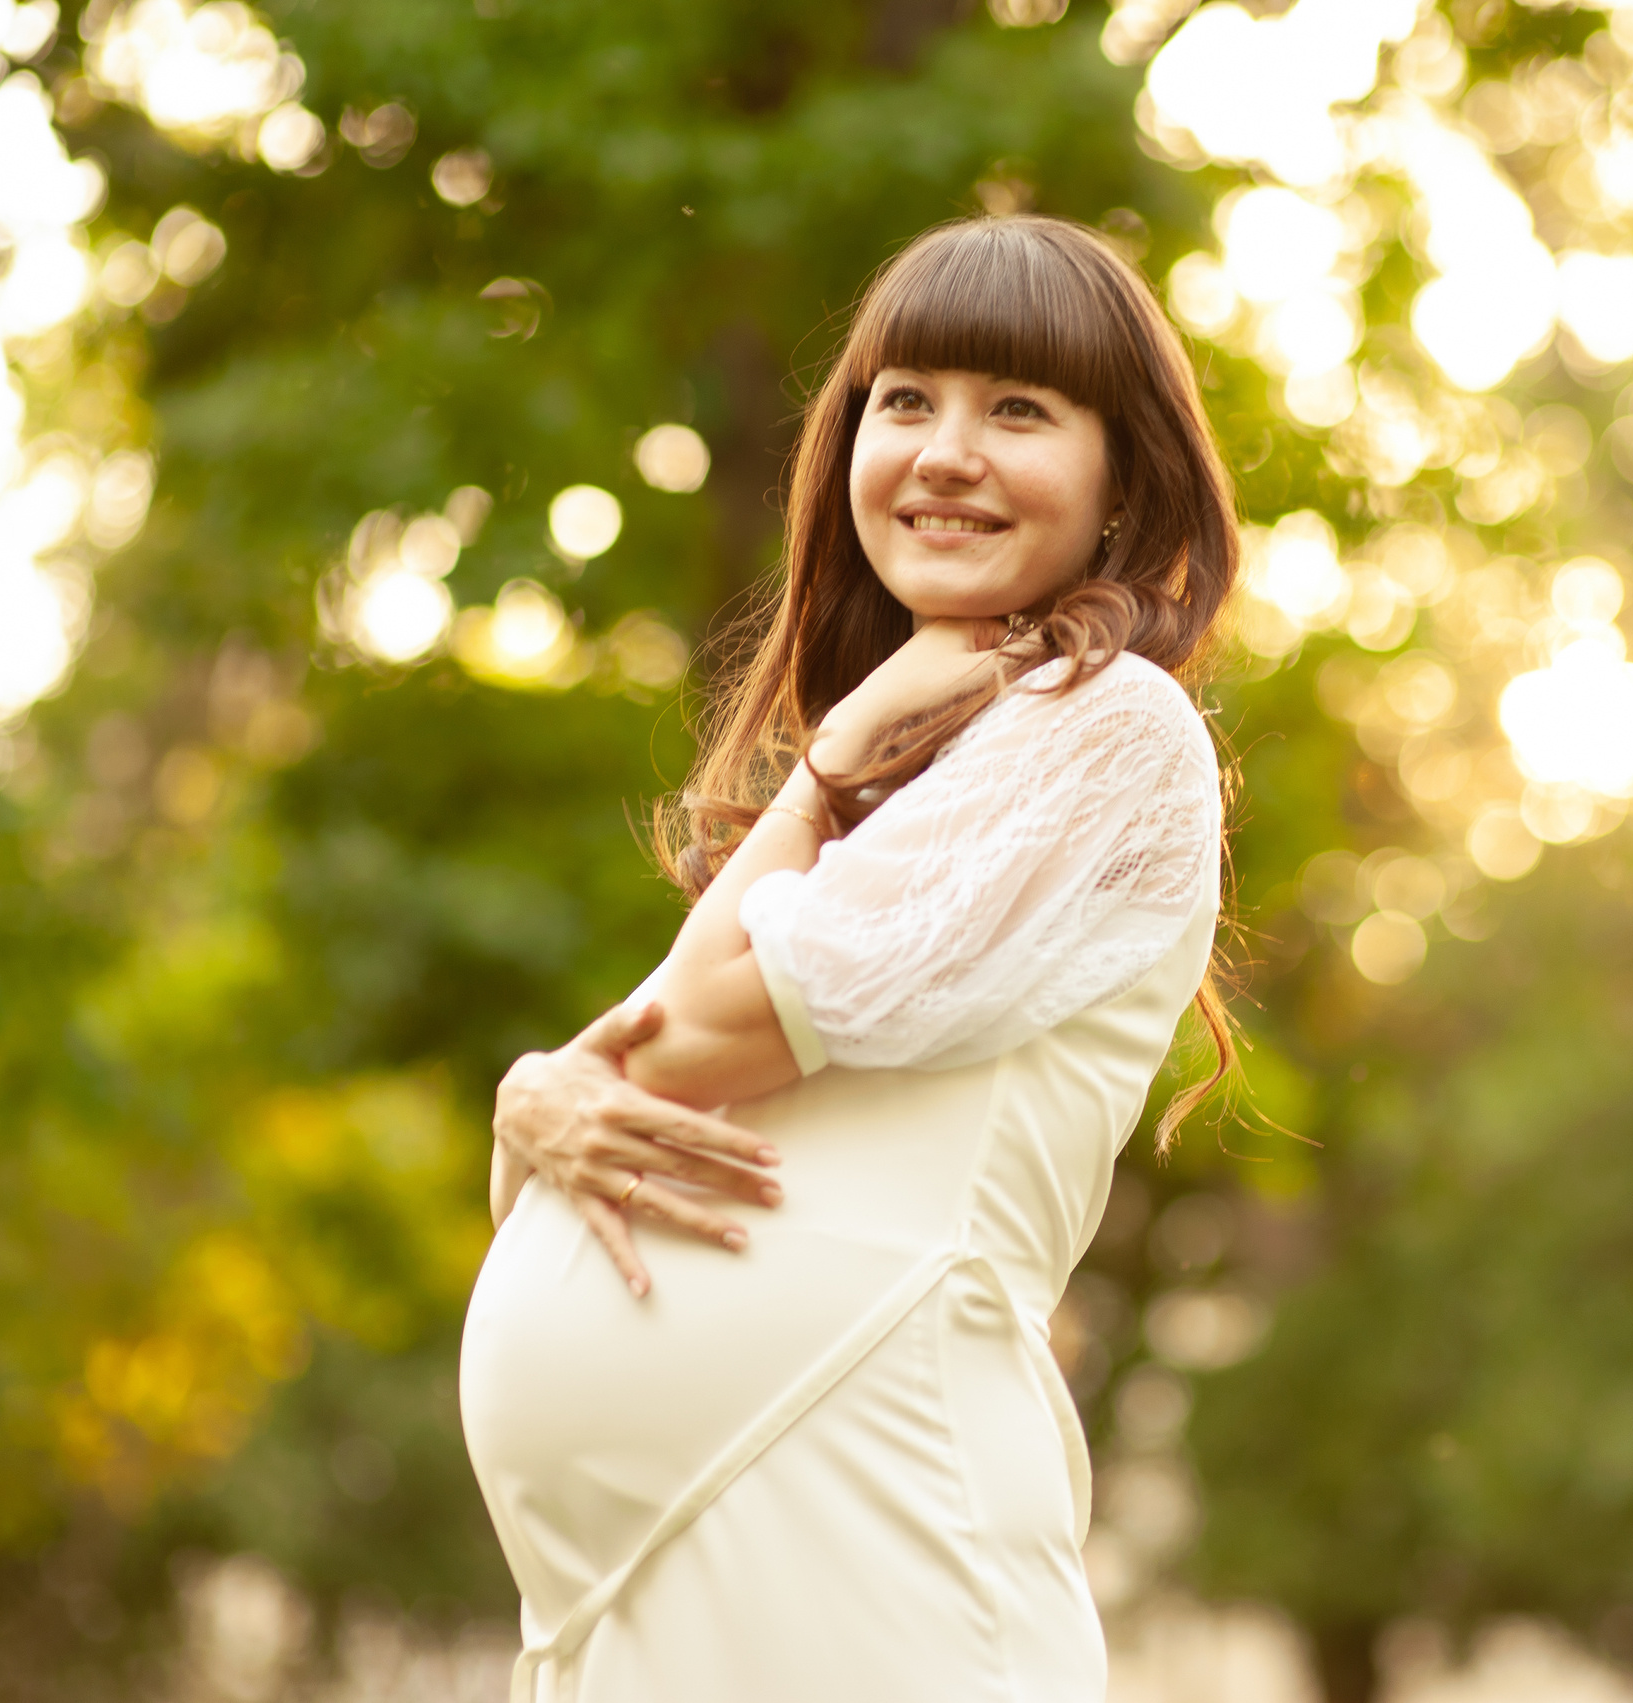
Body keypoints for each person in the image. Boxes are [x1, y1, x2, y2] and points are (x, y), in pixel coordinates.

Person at [460, 213, 1240, 1702]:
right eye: (908, 400)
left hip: (875, 1552)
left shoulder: (1112, 728)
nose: (948, 450)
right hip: (671, 1609)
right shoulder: (916, 784)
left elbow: (683, 1040)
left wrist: (822, 773)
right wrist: (530, 1097)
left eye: (1019, 408)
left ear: (1121, 479)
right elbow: (566, 1142)